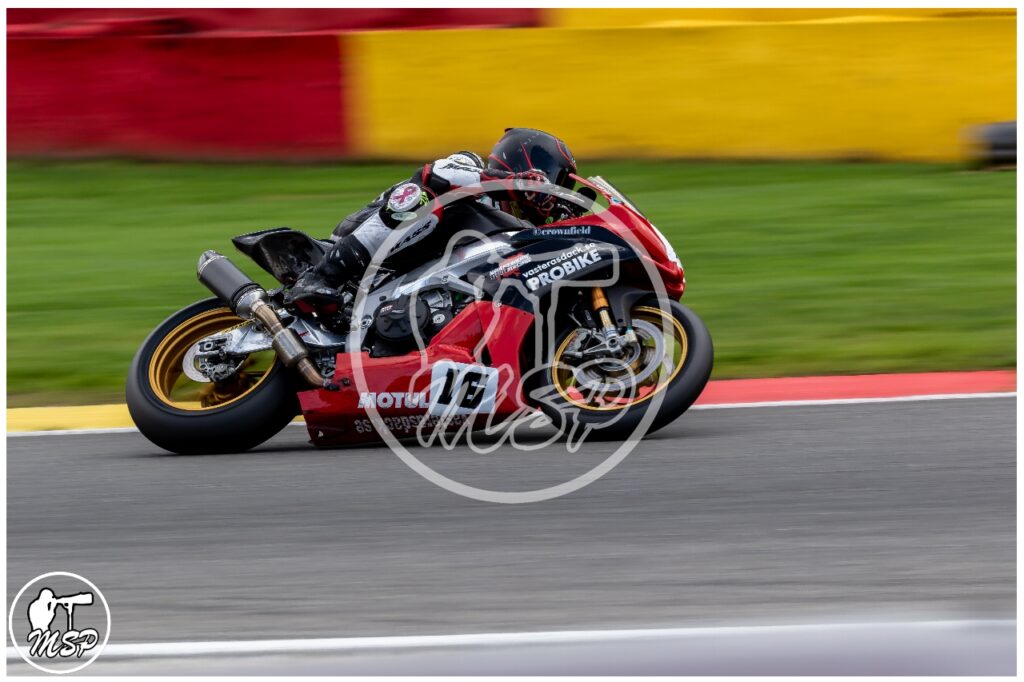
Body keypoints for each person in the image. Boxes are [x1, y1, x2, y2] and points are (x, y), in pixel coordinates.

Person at [285, 128, 578, 308]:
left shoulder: (508, 232)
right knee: (424, 199)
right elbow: (437, 173)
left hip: (408, 285)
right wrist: (516, 183)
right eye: (558, 181)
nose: (555, 193)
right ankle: (322, 276)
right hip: (365, 245)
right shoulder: (469, 165)